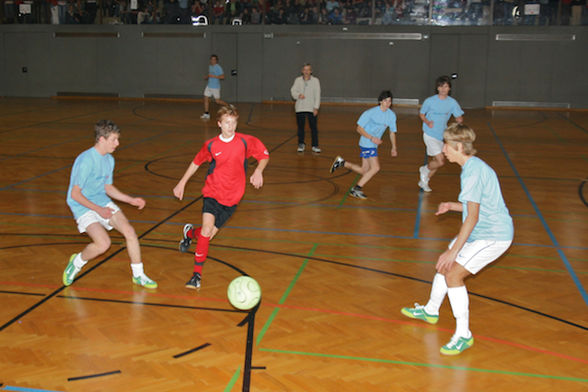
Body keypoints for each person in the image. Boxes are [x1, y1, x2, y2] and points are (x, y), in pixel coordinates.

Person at [401, 123, 513, 355]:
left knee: (452, 272)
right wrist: (452, 205)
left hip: (494, 235)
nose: (443, 149)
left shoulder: (472, 171)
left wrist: (453, 252)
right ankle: (431, 310)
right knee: (444, 265)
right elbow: (476, 206)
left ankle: (464, 334)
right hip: (481, 230)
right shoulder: (473, 167)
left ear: (459, 146)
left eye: (446, 144)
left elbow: (471, 218)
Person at [173, 105, 269, 289]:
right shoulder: (211, 145)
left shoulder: (245, 141)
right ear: (219, 124)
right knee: (207, 230)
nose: (230, 126)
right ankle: (196, 276)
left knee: (205, 236)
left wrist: (258, 170)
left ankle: (189, 233)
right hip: (213, 193)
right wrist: (182, 182)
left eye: (233, 122)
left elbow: (264, 155)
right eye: (226, 122)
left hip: (233, 198)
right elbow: (196, 163)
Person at [63, 120, 157, 289]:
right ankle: (76, 262)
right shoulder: (85, 161)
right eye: (113, 139)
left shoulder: (109, 160)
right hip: (82, 205)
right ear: (101, 139)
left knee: (129, 231)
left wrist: (130, 200)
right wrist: (99, 210)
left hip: (101, 200)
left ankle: (139, 275)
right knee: (103, 244)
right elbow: (75, 194)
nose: (118, 143)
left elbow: (107, 187)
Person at [329, 90, 398, 199]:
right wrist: (371, 138)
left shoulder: (391, 115)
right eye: (385, 101)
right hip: (367, 142)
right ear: (380, 101)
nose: (388, 103)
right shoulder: (370, 113)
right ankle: (356, 189)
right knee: (376, 168)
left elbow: (392, 132)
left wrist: (394, 147)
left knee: (364, 171)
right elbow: (359, 129)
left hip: (373, 144)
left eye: (390, 101)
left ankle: (342, 163)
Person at [418, 75, 464, 192]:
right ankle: (424, 170)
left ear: (449, 89)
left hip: (441, 135)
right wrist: (427, 122)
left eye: (446, 86)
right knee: (440, 161)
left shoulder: (452, 103)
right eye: (441, 86)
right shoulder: (430, 101)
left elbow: (458, 116)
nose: (443, 89)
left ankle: (424, 181)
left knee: (437, 162)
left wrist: (459, 120)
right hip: (429, 133)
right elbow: (422, 114)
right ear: (437, 88)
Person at [290, 63, 321, 153]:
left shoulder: (316, 81)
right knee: (300, 128)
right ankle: (301, 144)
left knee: (314, 128)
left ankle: (315, 145)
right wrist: (298, 95)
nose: (306, 71)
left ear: (311, 71)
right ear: (302, 71)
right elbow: (293, 91)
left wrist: (316, 107)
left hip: (311, 108)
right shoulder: (297, 80)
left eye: (308, 70)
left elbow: (317, 95)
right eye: (305, 70)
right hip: (300, 108)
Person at [201, 54, 227, 120]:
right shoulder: (210, 66)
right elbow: (210, 75)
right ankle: (206, 113)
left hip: (215, 87)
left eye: (214, 59)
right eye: (212, 59)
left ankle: (228, 106)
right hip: (209, 86)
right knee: (205, 98)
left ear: (216, 61)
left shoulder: (218, 67)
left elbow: (223, 77)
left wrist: (214, 76)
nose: (213, 60)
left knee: (217, 101)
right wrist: (206, 77)